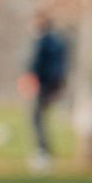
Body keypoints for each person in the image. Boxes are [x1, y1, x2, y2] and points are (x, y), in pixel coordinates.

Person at [21, 13, 68, 174]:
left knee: (36, 118)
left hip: (41, 85)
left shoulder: (41, 42)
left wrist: (29, 81)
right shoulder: (58, 42)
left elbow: (33, 65)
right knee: (40, 118)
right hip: (52, 85)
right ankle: (44, 151)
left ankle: (42, 153)